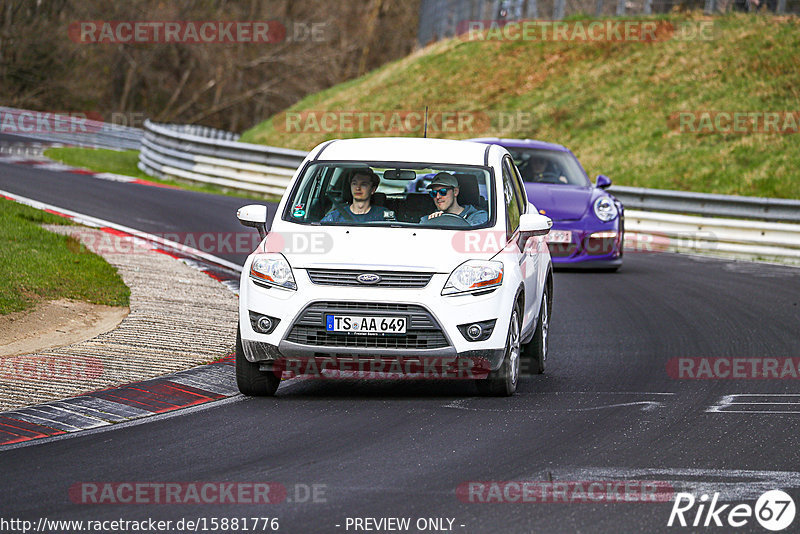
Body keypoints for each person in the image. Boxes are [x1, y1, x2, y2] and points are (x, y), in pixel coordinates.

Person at [419, 172, 488, 225]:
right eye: (433, 193)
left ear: (455, 191)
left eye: (443, 192)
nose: (437, 197)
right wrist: (432, 223)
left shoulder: (477, 217)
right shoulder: (427, 220)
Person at [321, 169, 387, 223]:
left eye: (363, 184)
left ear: (373, 189)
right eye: (354, 184)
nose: (358, 188)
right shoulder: (335, 216)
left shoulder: (383, 215)